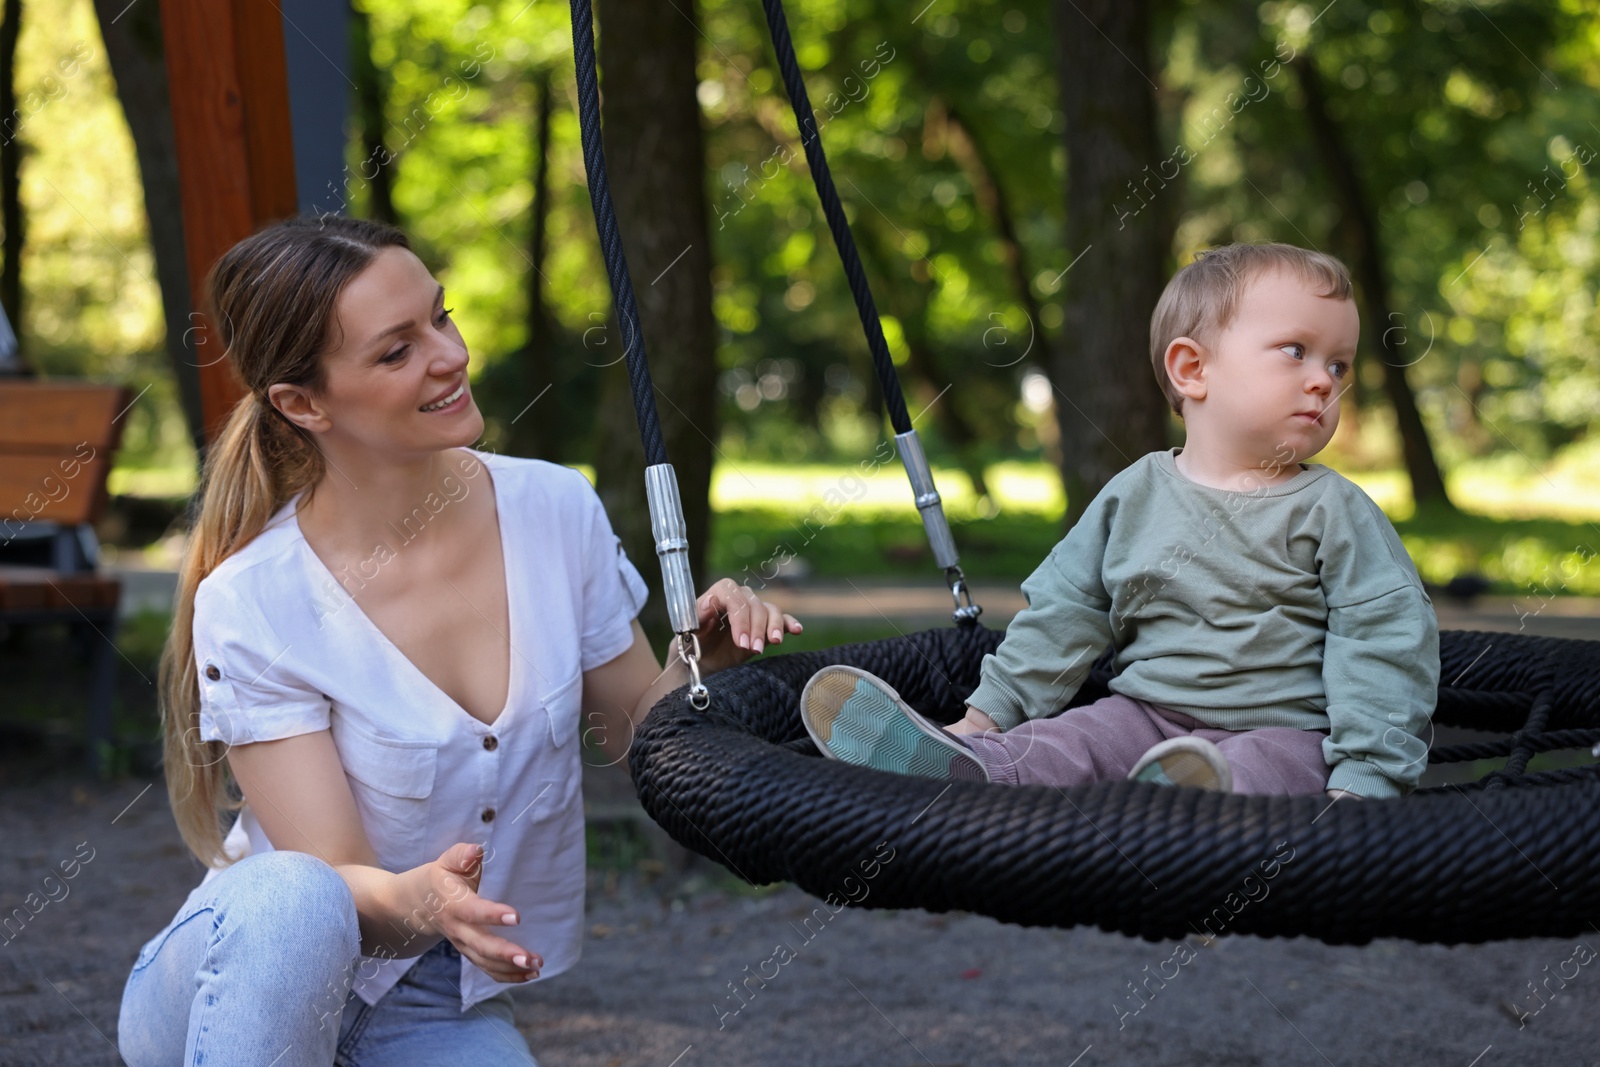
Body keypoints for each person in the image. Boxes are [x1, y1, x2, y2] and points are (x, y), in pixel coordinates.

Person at [116, 215, 801, 1066]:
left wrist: (703, 668)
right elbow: (334, 883)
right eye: (395, 350)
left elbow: (635, 734)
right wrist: (425, 902)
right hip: (244, 979)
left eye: (440, 317)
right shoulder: (255, 599)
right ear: (302, 404)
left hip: (429, 1003)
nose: (449, 354)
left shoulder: (555, 511)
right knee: (294, 895)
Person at [802, 243, 1438, 801]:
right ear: (1193, 370)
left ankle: (1194, 807)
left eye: (1339, 365)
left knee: (1264, 769)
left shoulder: (1334, 510)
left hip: (1282, 730)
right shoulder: (1134, 495)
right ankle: (971, 768)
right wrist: (985, 715)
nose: (1324, 382)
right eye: (1296, 351)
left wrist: (1365, 776)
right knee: (1069, 741)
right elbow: (1067, 611)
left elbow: (1384, 639)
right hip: (1145, 717)